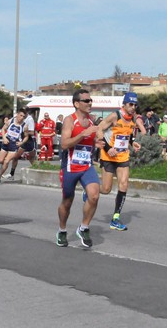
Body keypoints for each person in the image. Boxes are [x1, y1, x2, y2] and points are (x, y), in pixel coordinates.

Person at [57, 89, 102, 248]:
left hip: (86, 167)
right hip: (70, 167)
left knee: (94, 195)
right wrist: (83, 134)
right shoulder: (70, 121)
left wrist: (99, 144)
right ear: (77, 104)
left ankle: (84, 228)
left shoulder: (92, 121)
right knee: (67, 202)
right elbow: (64, 144)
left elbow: (91, 141)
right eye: (86, 101)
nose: (90, 103)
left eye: (91, 101)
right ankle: (62, 230)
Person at [96, 91, 141, 231]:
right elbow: (99, 129)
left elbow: (127, 134)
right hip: (108, 156)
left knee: (124, 184)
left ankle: (115, 218)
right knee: (106, 189)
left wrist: (132, 142)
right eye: (130, 104)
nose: (133, 107)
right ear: (124, 104)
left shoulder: (132, 118)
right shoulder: (115, 115)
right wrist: (108, 147)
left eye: (135, 105)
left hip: (122, 156)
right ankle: (90, 189)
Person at [0, 109, 28, 183]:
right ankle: (3, 167)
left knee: (7, 161)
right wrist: (4, 137)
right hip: (6, 142)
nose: (22, 117)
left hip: (14, 145)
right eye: (21, 115)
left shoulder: (24, 126)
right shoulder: (11, 121)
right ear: (17, 114)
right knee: (1, 161)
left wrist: (21, 143)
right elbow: (3, 129)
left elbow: (26, 137)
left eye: (23, 116)